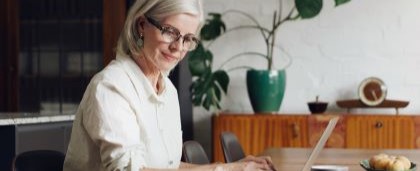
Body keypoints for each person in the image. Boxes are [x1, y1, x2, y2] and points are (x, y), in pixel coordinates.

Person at [63, 0, 275, 170]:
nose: (178, 47)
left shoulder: (169, 92)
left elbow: (167, 167)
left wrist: (225, 166)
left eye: (188, 38)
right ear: (141, 25)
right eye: (170, 31)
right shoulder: (111, 87)